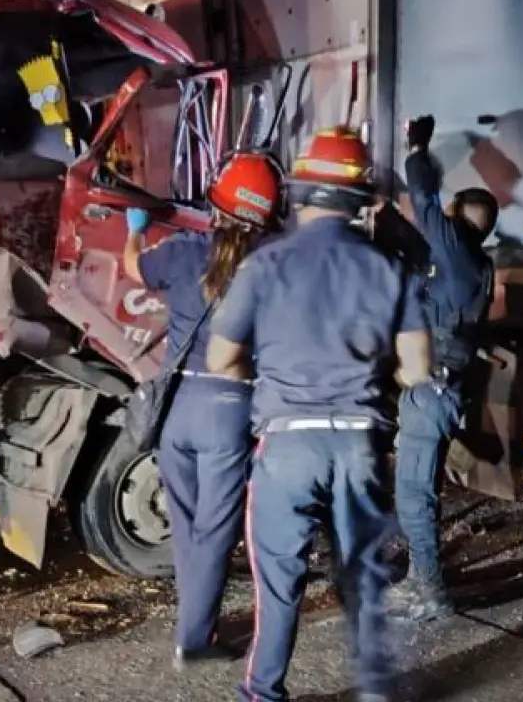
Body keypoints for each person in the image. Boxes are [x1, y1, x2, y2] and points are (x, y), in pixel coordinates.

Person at [205, 127, 433, 702]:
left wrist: (264, 383)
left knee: (278, 585)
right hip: (359, 447)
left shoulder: (263, 266)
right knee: (364, 579)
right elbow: (418, 368)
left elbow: (221, 357)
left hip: (286, 446)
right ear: (359, 199)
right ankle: (376, 691)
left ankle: (263, 692)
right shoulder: (389, 270)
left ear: (300, 193)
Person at [121, 151, 284, 670]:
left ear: (217, 204)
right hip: (230, 410)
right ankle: (193, 642)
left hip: (177, 411)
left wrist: (135, 231)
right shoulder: (272, 264)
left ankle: (192, 630)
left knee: (190, 527)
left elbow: (133, 269)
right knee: (214, 530)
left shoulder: (184, 251)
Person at [386, 115, 498, 622]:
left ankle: (429, 589)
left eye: (451, 218)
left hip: (432, 392)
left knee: (413, 490)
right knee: (416, 487)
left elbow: (427, 205)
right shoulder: (474, 264)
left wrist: (417, 147)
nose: (441, 223)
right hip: (442, 387)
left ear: (461, 223)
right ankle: (420, 578)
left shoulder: (457, 254)